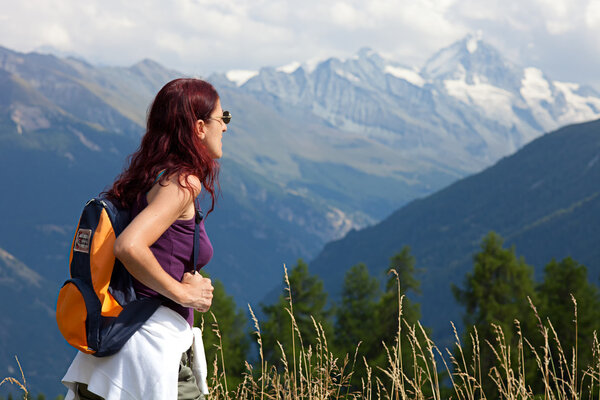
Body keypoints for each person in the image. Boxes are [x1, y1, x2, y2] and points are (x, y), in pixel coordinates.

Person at [62, 78, 231, 399]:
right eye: (222, 118)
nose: (224, 127)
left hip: (114, 351)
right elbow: (129, 246)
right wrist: (183, 294)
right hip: (149, 353)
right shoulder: (183, 183)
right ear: (198, 127)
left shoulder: (148, 177)